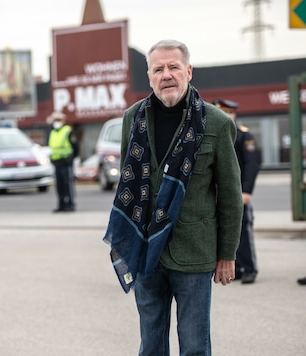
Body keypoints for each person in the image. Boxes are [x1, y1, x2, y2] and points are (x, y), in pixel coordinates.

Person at [103, 40, 243, 355]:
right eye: (158, 69)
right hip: (145, 248)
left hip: (193, 252)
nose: (166, 75)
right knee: (150, 345)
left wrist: (227, 254)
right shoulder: (132, 118)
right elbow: (127, 181)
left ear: (188, 72)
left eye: (173, 67)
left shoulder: (217, 123)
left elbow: (231, 195)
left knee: (194, 345)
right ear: (150, 76)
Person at [213, 99, 261, 284]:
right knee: (225, 232)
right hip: (219, 194)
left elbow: (252, 165)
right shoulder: (215, 134)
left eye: (228, 113)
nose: (225, 117)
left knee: (243, 232)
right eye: (221, 113)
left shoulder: (243, 136)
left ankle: (249, 268)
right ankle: (237, 268)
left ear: (234, 114)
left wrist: (247, 191)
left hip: (239, 194)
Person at [47, 111, 79, 212]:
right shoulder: (52, 132)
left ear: (63, 120)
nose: (56, 122)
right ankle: (61, 205)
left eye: (58, 120)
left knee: (68, 184)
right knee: (59, 186)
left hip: (66, 162)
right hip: (57, 163)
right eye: (55, 120)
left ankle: (70, 204)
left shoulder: (67, 131)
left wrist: (72, 158)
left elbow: (75, 147)